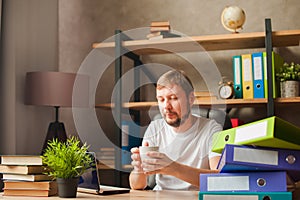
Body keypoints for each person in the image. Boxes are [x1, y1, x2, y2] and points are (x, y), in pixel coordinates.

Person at [129, 70, 222, 190]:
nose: (166, 106)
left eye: (173, 98)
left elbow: (220, 179)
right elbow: (137, 186)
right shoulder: (155, 128)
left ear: (191, 99)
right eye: (161, 100)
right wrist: (138, 169)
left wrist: (174, 168)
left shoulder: (211, 129)